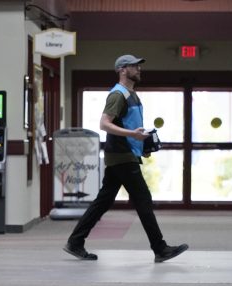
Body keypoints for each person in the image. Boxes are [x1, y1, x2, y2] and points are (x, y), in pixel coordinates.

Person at [63, 54, 188, 263]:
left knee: (103, 201)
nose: (139, 69)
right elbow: (104, 124)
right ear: (122, 70)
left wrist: (142, 144)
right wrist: (133, 136)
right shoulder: (118, 95)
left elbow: (129, 125)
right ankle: (160, 248)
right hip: (121, 155)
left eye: (139, 66)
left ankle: (75, 242)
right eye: (134, 66)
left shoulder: (132, 95)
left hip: (124, 154)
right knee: (143, 199)